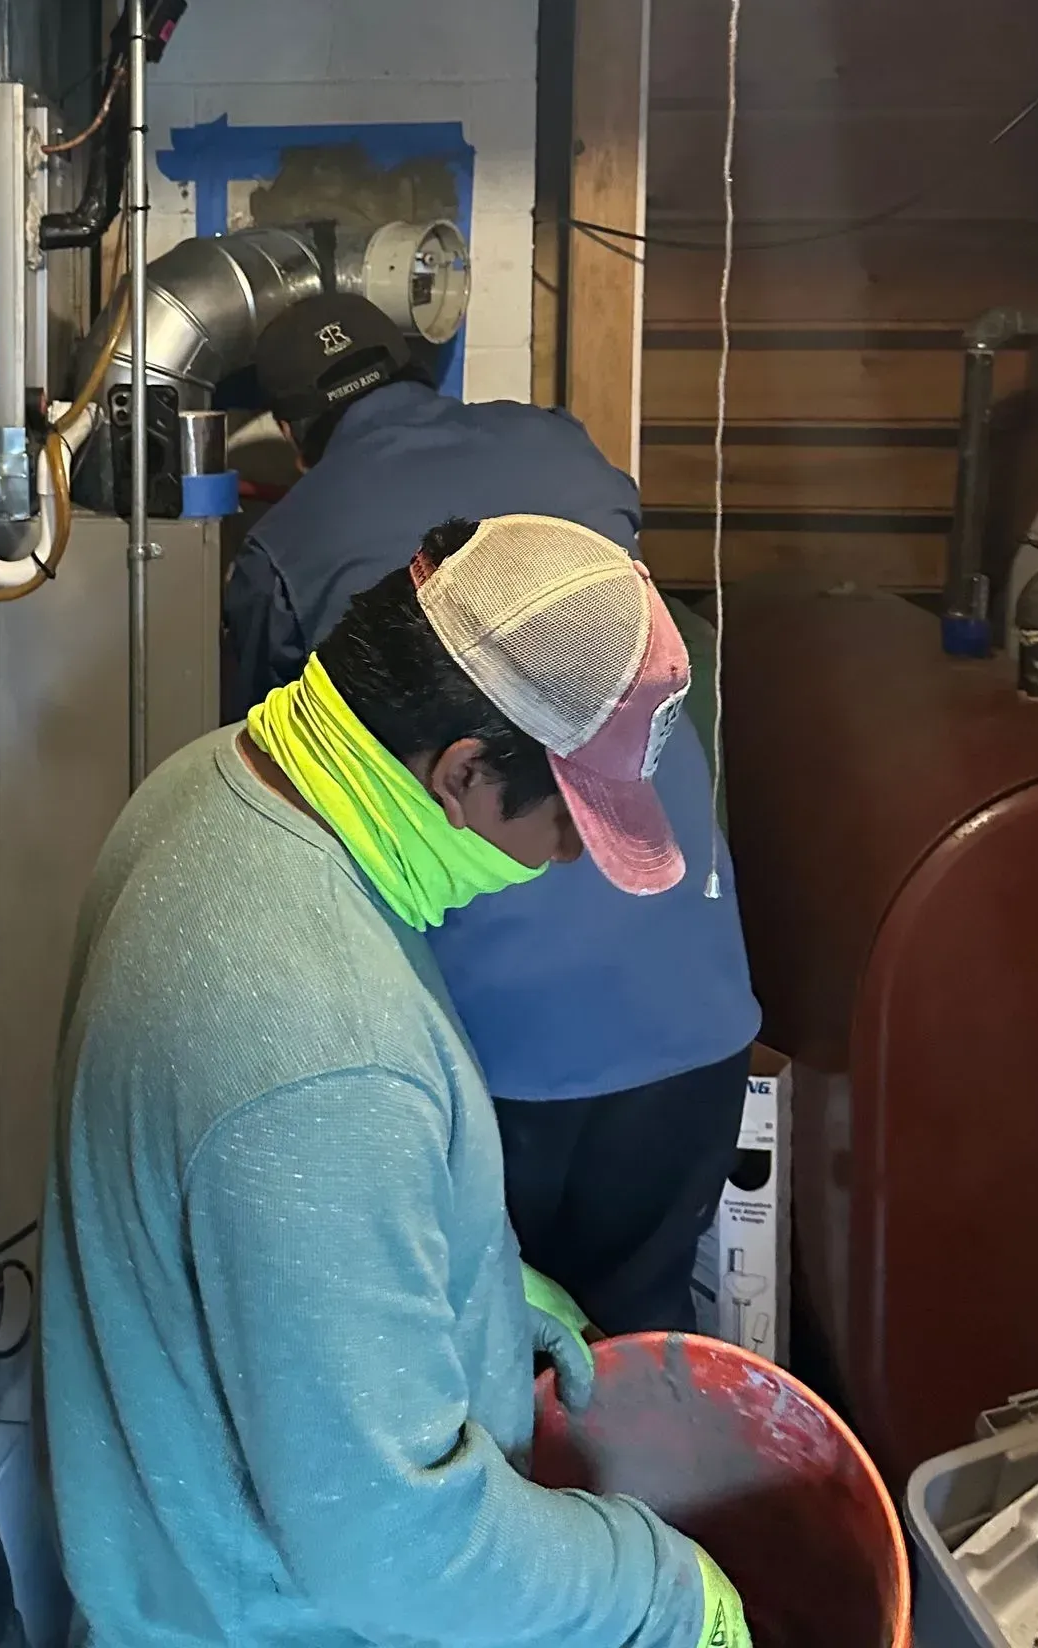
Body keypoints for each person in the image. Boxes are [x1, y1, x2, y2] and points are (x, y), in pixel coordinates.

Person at [40, 512, 751, 1648]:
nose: (565, 859)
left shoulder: (212, 789)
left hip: (172, 1571)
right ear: (463, 768)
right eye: (566, 823)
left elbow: (238, 1219)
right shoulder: (327, 1050)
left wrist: (466, 1275)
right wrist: (661, 1588)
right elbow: (402, 1552)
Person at [223, 295, 759, 1335]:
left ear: (291, 432)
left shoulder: (286, 545)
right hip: (693, 1008)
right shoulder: (557, 444)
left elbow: (272, 774)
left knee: (479, 1347)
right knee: (642, 1346)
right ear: (422, 364)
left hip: (495, 1048)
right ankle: (634, 1501)